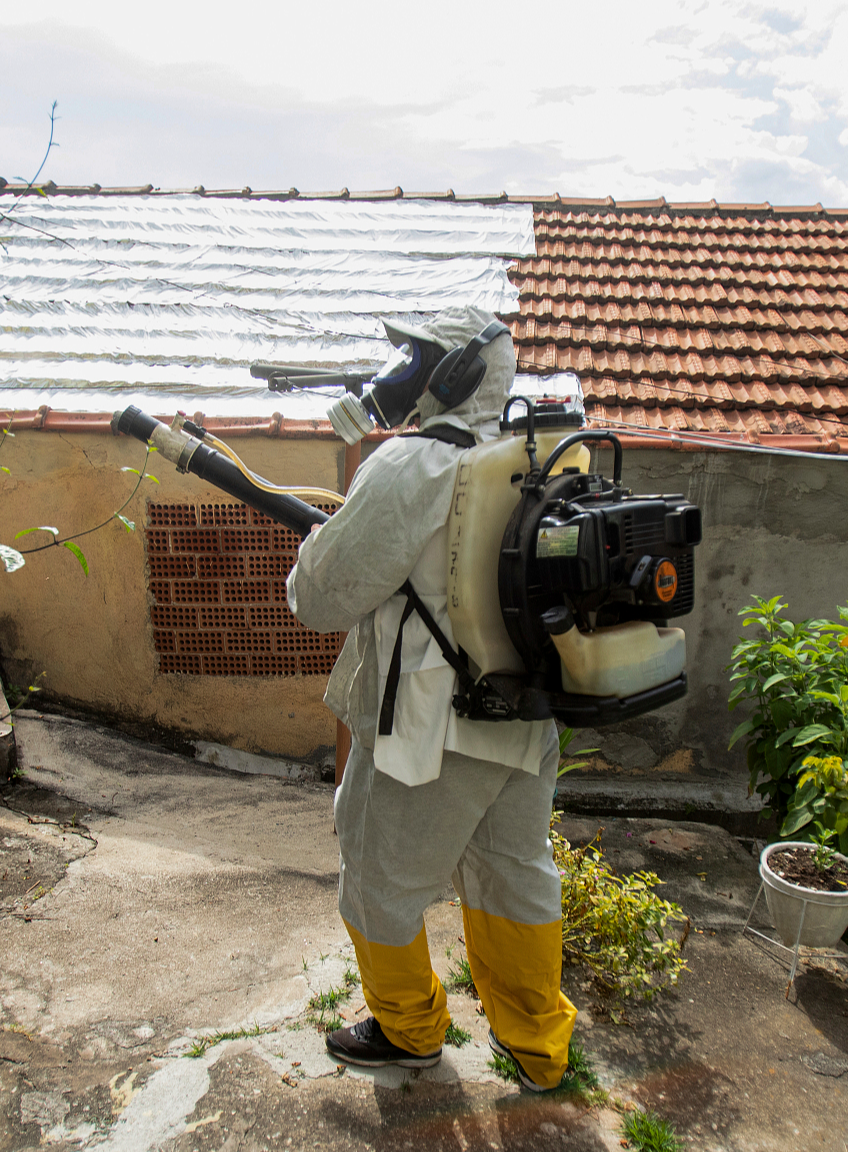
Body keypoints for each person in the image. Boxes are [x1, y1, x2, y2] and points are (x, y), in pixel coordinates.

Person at [287, 305, 575, 1092]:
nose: (398, 370)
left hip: (429, 729)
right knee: (514, 874)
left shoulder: (412, 463)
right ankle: (539, 1048)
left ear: (450, 375)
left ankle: (407, 1029)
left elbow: (320, 597)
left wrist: (342, 494)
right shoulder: (542, 450)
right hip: (525, 716)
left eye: (413, 355)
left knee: (376, 879)